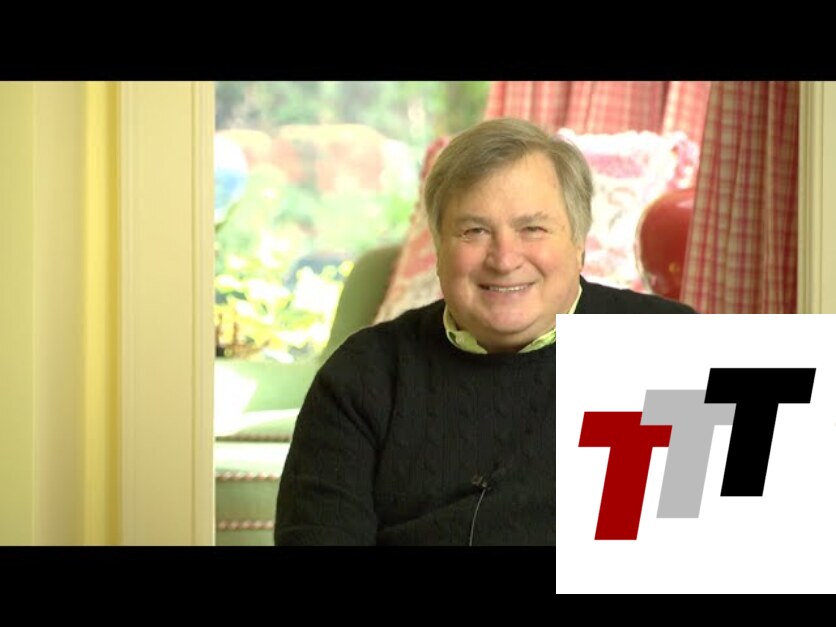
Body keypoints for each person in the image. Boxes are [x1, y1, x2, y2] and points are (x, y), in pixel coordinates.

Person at [273, 117, 695, 546]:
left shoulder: (674, 350)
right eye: (474, 231)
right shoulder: (364, 376)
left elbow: (707, 562)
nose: (504, 259)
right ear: (438, 247)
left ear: (579, 243)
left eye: (533, 228)